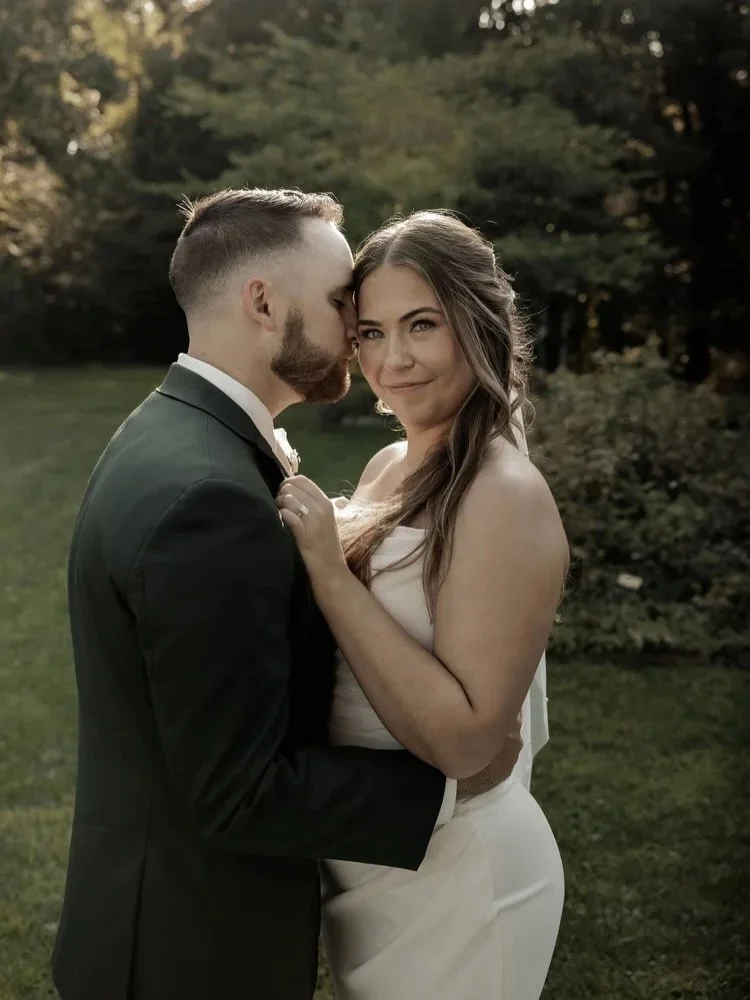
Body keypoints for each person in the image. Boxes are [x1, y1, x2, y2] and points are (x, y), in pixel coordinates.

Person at [52, 189, 514, 1000]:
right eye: (341, 303)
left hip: (150, 919)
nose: (357, 327)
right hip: (191, 954)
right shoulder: (210, 498)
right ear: (264, 304)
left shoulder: (167, 432)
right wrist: (450, 789)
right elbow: (238, 792)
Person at [277, 209, 568, 1000]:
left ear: (478, 324)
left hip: (463, 876)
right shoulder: (386, 466)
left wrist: (330, 574)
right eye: (371, 332)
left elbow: (465, 743)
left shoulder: (502, 494)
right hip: (378, 856)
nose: (393, 359)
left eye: (421, 325)